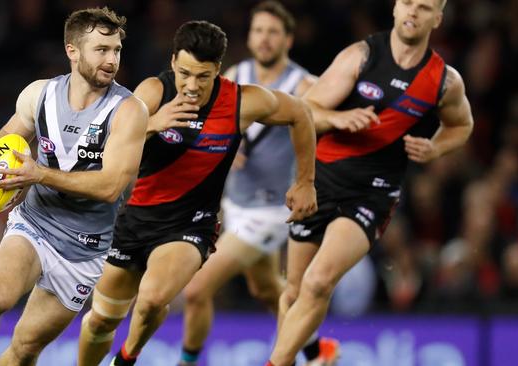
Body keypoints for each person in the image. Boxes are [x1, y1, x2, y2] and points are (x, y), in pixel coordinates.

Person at [0, 7, 148, 366]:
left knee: (24, 349)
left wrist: (39, 174)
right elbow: (8, 135)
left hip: (84, 251)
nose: (112, 59)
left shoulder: (129, 111)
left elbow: (111, 187)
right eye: (101, 50)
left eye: (116, 50)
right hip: (35, 224)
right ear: (73, 50)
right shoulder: (39, 94)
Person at [77, 20, 317, 366]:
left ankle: (125, 359)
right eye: (185, 73)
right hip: (134, 221)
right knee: (100, 320)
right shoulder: (152, 93)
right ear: (173, 61)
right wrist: (152, 124)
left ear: (217, 70)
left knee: (152, 298)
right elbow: (103, 147)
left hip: (190, 225)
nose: (191, 86)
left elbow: (300, 113)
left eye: (203, 77)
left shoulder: (241, 101)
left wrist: (305, 181)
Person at [266, 0, 474, 365]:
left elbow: (462, 125)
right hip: (320, 182)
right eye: (407, 3)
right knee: (294, 292)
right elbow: (303, 114)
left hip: (372, 194)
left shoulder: (444, 81)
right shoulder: (359, 57)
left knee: (318, 282)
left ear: (437, 19)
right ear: (395, 8)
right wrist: (339, 118)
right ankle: (317, 356)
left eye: (424, 7)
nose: (413, 12)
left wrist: (436, 148)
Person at [179, 2, 338, 366]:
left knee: (196, 289)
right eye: (258, 31)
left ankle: (186, 362)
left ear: (288, 39)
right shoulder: (239, 73)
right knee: (266, 289)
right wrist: (227, 145)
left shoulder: (303, 83)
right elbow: (214, 119)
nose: (264, 39)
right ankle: (317, 352)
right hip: (236, 202)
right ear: (249, 37)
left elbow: (320, 119)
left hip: (270, 210)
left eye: (272, 32)